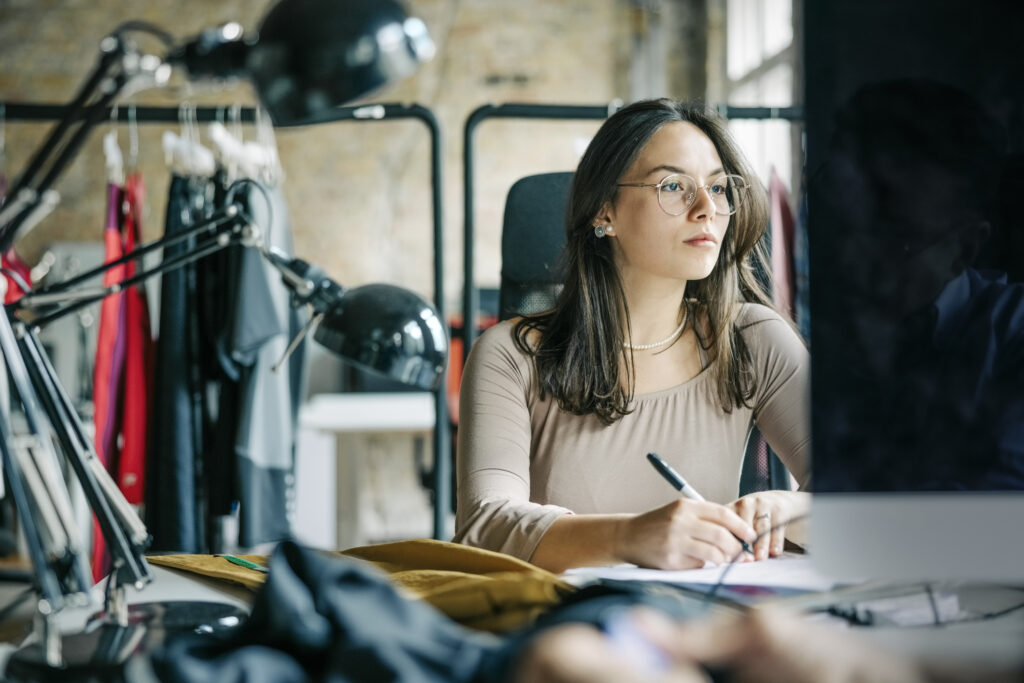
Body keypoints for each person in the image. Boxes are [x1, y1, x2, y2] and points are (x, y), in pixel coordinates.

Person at [454, 98, 811, 573]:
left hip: (706, 624)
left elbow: (869, 495)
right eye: (673, 186)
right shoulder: (510, 355)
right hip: (562, 624)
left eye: (720, 188)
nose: (707, 208)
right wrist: (630, 536)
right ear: (605, 212)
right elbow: (485, 525)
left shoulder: (753, 338)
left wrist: (791, 510)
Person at [810, 79, 1024, 493]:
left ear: (963, 249)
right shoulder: (810, 321)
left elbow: (1004, 504)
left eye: (894, 236)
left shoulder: (1013, 336)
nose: (849, 257)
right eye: (838, 223)